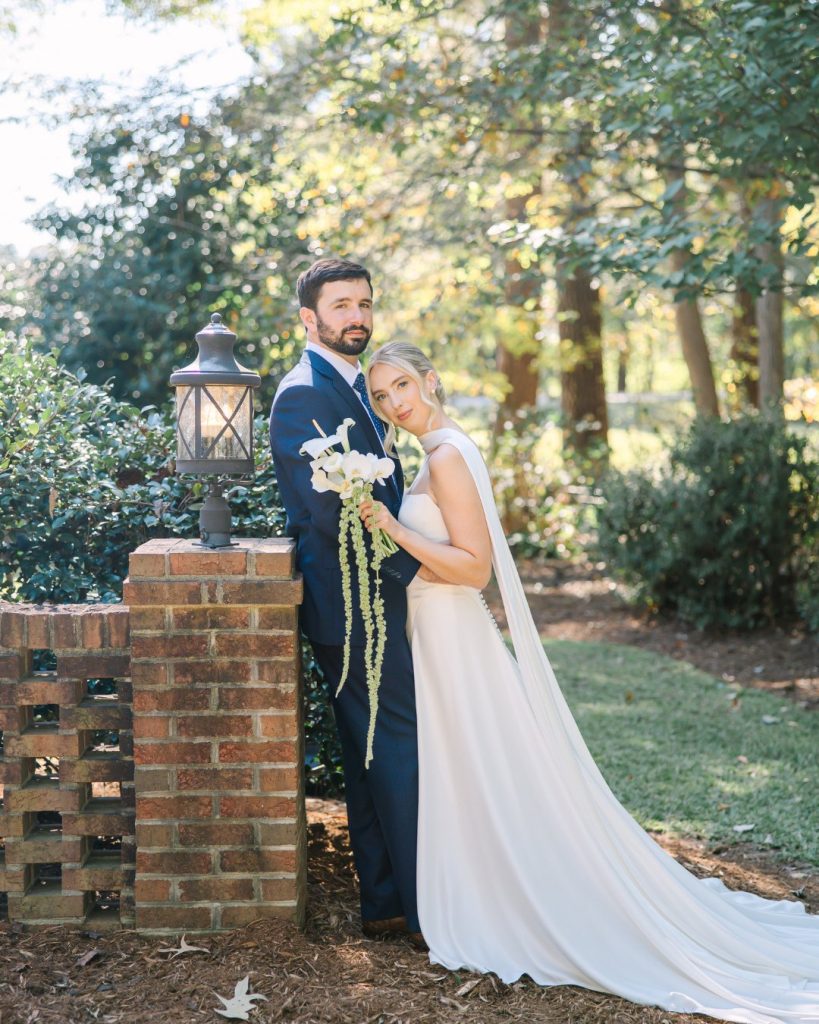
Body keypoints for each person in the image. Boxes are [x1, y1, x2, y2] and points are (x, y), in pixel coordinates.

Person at [360, 341, 819, 1024]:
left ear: (430, 380)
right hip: (437, 636)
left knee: (480, 766)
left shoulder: (449, 456)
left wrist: (393, 527)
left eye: (402, 384)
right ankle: (486, 882)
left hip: (454, 634)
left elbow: (472, 568)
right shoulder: (435, 451)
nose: (394, 402)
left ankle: (508, 898)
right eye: (379, 395)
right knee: (475, 772)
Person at [269, 259, 426, 948]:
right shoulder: (304, 394)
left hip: (374, 600)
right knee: (395, 751)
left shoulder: (354, 386)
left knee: (373, 757)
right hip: (356, 606)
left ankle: (388, 903)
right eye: (340, 306)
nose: (356, 315)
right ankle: (429, 909)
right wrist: (421, 569)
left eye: (363, 303)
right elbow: (329, 518)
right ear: (310, 318)